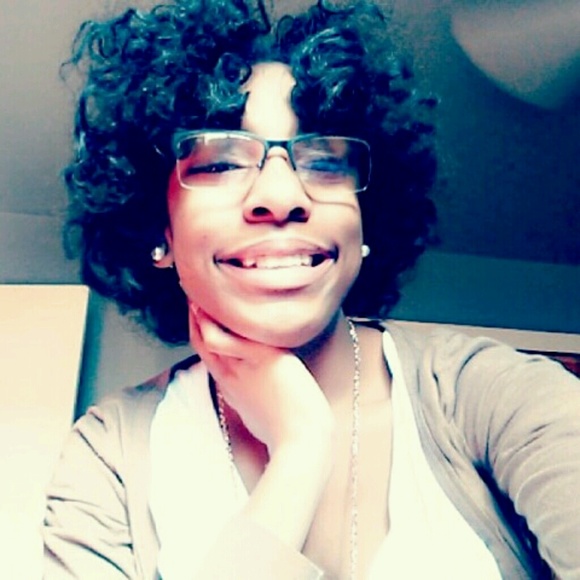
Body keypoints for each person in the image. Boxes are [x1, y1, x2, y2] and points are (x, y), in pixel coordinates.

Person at [43, 0, 580, 578]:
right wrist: (299, 452)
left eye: (324, 161)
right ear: (160, 231)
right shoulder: (110, 455)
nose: (282, 196)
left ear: (366, 220)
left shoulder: (495, 393)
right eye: (220, 163)